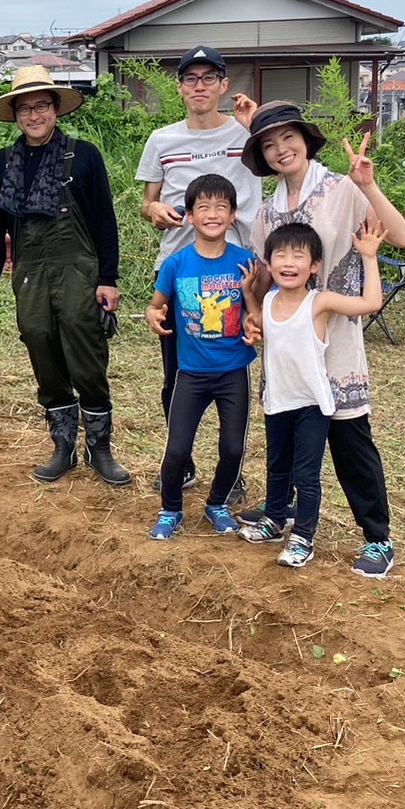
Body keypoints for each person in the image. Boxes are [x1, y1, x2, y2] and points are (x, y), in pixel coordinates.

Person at [238, 101, 405, 577]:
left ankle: (378, 538)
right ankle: (284, 514)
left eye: (287, 138)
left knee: (349, 438)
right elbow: (265, 279)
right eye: (268, 145)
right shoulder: (268, 212)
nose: (280, 150)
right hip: (288, 345)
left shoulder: (340, 189)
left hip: (337, 336)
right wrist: (254, 317)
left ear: (305, 140)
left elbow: (399, 237)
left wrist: (368, 184)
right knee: (289, 436)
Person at [0, 66, 130, 486]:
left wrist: (108, 279)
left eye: (41, 105)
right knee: (40, 344)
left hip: (79, 268)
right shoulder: (3, 162)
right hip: (29, 273)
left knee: (85, 352)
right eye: (24, 108)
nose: (33, 115)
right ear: (15, 114)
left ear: (56, 108)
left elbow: (105, 223)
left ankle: (101, 449)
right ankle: (63, 446)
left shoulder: (84, 155)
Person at [135, 46, 263, 499]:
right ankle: (182, 462)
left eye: (210, 78)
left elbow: (282, 156)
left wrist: (255, 124)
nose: (200, 86)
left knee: (235, 367)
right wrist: (155, 211)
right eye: (191, 79)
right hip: (180, 270)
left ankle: (232, 471)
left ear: (224, 85)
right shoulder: (162, 140)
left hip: (238, 270)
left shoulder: (245, 132)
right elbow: (148, 200)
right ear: (180, 87)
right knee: (177, 377)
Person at [239, 221, 387, 567]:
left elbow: (372, 302)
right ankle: (274, 521)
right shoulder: (271, 298)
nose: (288, 263)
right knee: (277, 468)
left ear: (314, 266)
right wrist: (249, 295)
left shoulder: (319, 302)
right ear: (269, 262)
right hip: (277, 402)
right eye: (280, 255)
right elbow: (259, 322)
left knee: (306, 476)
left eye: (298, 256)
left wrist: (368, 257)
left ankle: (303, 537)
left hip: (312, 406)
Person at [143, 174, 258, 540]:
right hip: (190, 374)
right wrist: (152, 316)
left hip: (233, 372)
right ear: (189, 216)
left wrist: (250, 303)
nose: (212, 214)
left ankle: (217, 504)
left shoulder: (246, 262)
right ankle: (171, 509)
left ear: (233, 215)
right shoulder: (177, 264)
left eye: (221, 207)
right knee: (177, 450)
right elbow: (156, 305)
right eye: (203, 208)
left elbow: (256, 311)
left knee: (232, 447)